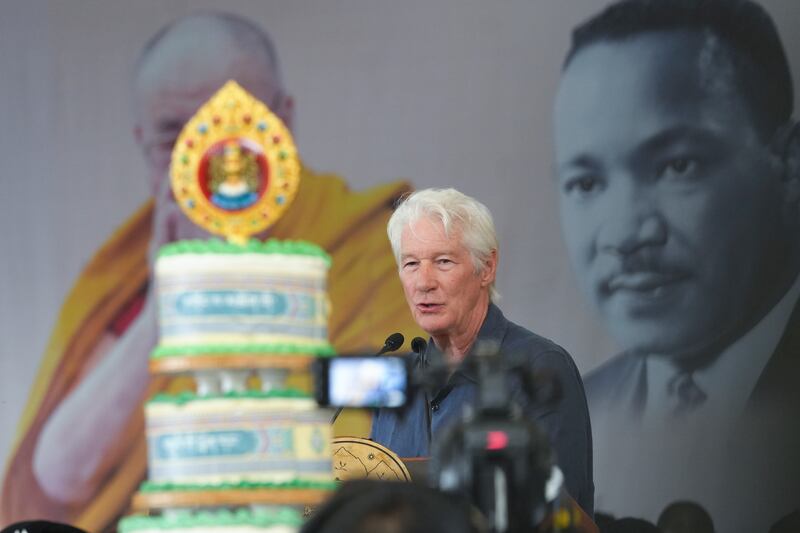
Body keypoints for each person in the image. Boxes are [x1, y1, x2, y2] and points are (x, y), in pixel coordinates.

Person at [1, 12, 422, 532]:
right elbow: (54, 480)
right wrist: (168, 297)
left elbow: (391, 421)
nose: (203, 162)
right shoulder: (134, 267)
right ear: (142, 143)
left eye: (233, 127)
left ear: (282, 123)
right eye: (173, 137)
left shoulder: (369, 244)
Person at [552, 0, 800, 529]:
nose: (623, 235)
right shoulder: (581, 409)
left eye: (677, 166)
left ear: (790, 163)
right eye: (587, 183)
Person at [370, 188, 594, 515]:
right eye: (411, 263)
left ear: (486, 267)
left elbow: (560, 517)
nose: (423, 282)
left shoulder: (539, 368)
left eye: (443, 261)